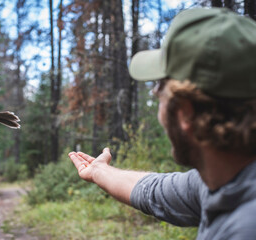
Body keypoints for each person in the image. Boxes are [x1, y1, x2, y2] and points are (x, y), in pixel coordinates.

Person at [68, 7, 256, 239]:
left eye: (159, 90)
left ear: (185, 112)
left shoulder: (245, 228)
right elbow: (153, 191)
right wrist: (99, 171)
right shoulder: (224, 179)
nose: (155, 95)